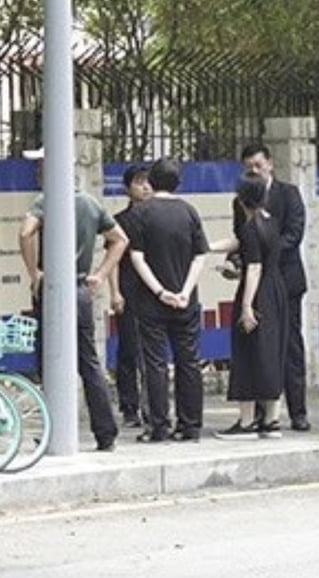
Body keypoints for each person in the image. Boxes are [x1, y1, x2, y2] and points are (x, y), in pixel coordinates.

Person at [18, 147, 128, 452]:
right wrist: (101, 274)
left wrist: (34, 273)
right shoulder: (90, 203)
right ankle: (106, 433)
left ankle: (55, 431)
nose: (38, 171)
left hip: (53, 290)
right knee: (89, 363)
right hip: (80, 290)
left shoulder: (47, 200)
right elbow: (120, 239)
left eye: (41, 165)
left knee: (48, 361)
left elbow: (25, 232)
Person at [223, 144, 310, 431]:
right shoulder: (241, 201)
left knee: (288, 346)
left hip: (284, 278)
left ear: (270, 164)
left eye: (259, 165)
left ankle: (297, 411)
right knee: (255, 347)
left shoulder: (289, 194)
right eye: (249, 167)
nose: (255, 171)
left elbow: (293, 235)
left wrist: (263, 253)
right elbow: (241, 239)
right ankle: (260, 414)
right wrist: (236, 262)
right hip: (255, 280)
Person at [128, 158, 209, 443]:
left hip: (151, 303)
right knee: (189, 362)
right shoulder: (189, 212)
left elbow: (137, 257)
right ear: (178, 182)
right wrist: (185, 291)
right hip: (187, 302)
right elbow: (200, 255)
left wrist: (160, 291)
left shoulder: (142, 213)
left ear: (151, 181)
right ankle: (191, 426)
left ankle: (159, 426)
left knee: (155, 363)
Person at [210, 173, 288, 439]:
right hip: (277, 290)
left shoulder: (249, 227)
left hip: (257, 292)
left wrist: (246, 307)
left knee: (246, 353)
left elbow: (253, 267)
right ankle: (272, 420)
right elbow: (240, 243)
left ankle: (246, 422)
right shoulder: (271, 222)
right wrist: (207, 247)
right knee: (271, 352)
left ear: (242, 201)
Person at [108, 163, 152, 428]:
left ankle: (152, 404)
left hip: (154, 292)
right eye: (139, 182)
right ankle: (129, 407)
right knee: (128, 351)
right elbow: (112, 258)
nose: (145, 186)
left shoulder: (158, 217)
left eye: (148, 181)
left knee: (153, 352)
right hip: (128, 289)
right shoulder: (119, 222)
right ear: (127, 188)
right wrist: (114, 292)